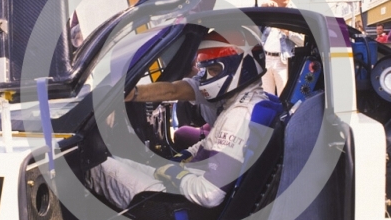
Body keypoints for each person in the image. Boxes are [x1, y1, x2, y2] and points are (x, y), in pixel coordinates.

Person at [87, 28, 273, 210]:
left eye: (214, 71)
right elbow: (213, 139)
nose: (207, 78)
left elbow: (210, 195)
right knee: (118, 162)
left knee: (96, 166)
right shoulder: (252, 102)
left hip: (183, 207)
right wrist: (188, 154)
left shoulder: (238, 115)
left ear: (242, 67)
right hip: (192, 186)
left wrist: (176, 174)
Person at [260, 0, 304, 95]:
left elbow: (302, 41)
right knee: (266, 96)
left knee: (283, 95)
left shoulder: (294, 14)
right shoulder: (269, 12)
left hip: (282, 61)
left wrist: (287, 32)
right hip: (266, 59)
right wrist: (261, 9)